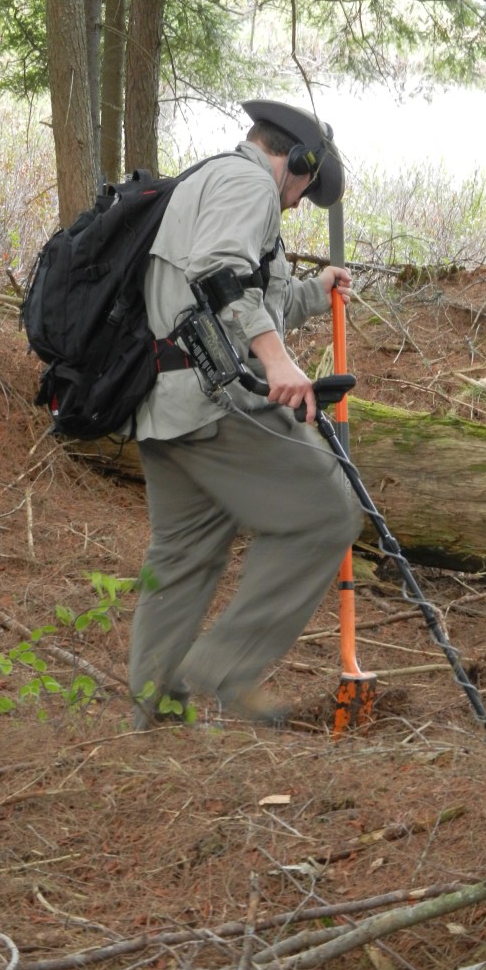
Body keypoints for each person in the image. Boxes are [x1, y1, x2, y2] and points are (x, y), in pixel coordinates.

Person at [128, 99, 363, 729]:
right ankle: (227, 668)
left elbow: (237, 291)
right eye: (305, 189)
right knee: (328, 512)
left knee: (183, 555)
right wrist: (276, 362)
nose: (296, 204)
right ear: (297, 160)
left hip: (162, 404)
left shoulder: (211, 180)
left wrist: (315, 293)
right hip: (209, 397)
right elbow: (219, 271)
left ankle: (155, 715)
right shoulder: (247, 182)